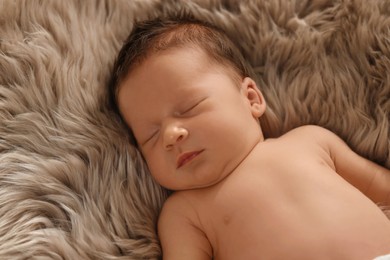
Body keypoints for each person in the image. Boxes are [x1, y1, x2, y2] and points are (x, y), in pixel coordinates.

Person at [109, 14, 390, 260]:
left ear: (251, 98)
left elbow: (378, 183)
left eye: (189, 108)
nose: (171, 135)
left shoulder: (309, 141)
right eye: (151, 135)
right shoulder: (185, 213)